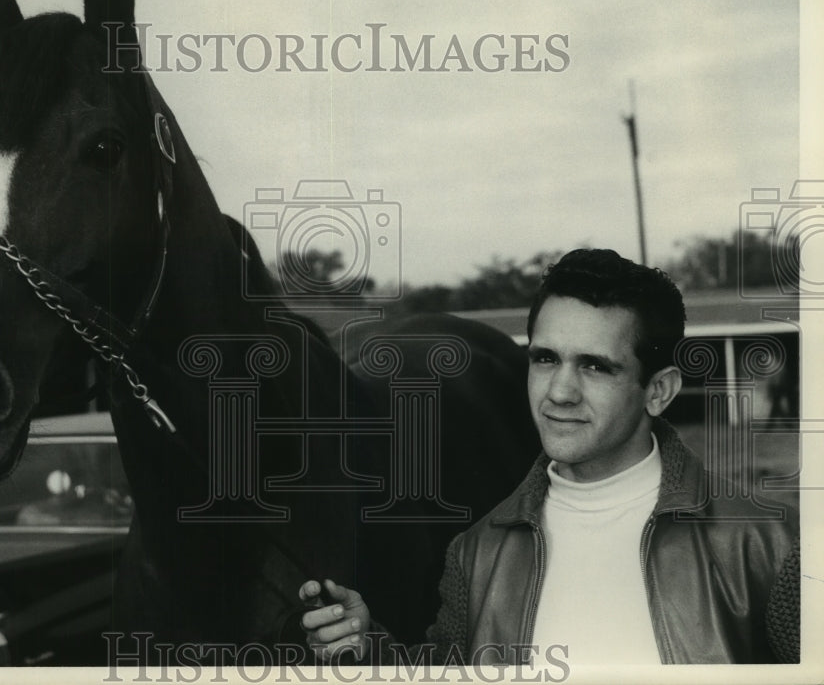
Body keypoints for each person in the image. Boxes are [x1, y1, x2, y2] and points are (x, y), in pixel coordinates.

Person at [299, 249, 800, 665]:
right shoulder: (475, 554)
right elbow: (447, 674)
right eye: (545, 359)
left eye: (595, 367)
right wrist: (366, 649)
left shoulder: (772, 546)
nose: (559, 392)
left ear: (659, 390)